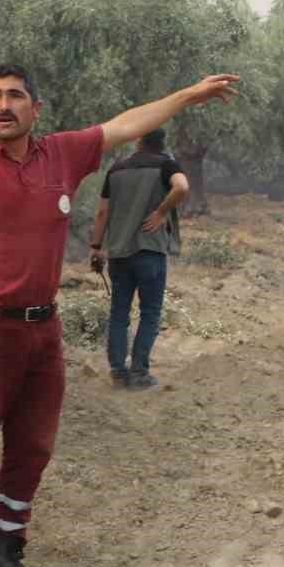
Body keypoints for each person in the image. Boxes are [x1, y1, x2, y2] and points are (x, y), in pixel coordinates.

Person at [0, 65, 238, 567]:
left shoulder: (63, 155)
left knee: (32, 448)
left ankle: (5, 563)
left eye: (16, 97)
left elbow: (127, 124)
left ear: (35, 109)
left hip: (43, 330)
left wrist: (188, 96)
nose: (5, 105)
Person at [89, 127, 187, 390]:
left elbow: (102, 213)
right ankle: (140, 373)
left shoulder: (116, 170)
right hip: (150, 252)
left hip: (119, 253)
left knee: (119, 313)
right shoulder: (167, 165)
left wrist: (97, 247)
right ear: (162, 144)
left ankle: (119, 373)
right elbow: (182, 187)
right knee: (150, 312)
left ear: (139, 141)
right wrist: (161, 212)